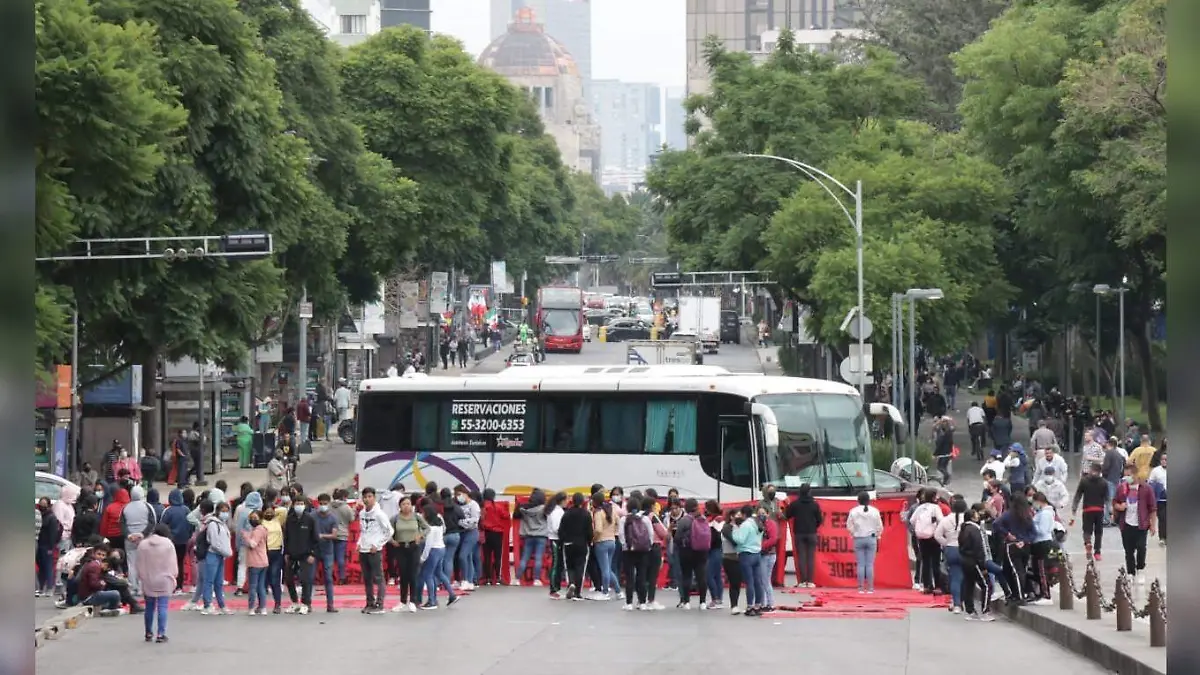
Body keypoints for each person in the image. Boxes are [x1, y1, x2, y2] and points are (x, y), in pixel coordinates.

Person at [1113, 462, 1157, 585]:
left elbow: (1152, 508)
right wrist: (1119, 506)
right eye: (1125, 475)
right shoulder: (1121, 488)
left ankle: (1140, 569)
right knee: (1129, 550)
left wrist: (1153, 525)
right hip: (1126, 524)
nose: (1126, 478)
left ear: (1136, 475)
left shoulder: (1146, 489)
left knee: (1141, 547)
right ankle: (1131, 572)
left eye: (1129, 475)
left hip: (1141, 524)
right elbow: (1115, 502)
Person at [136, 524, 177, 642]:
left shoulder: (143, 544)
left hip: (148, 579)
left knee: (149, 607)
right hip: (165, 579)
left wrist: (141, 577)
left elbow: (139, 564)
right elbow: (173, 564)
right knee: (162, 607)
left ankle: (148, 632)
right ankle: (161, 634)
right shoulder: (168, 544)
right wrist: (173, 577)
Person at [991, 493, 1036, 604]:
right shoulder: (1027, 515)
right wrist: (1025, 540)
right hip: (1025, 546)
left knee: (1015, 571)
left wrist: (1007, 534)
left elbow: (996, 524)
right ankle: (1018, 593)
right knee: (1021, 570)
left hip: (1012, 545)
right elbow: (1034, 533)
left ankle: (1019, 596)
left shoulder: (1008, 514)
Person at [357, 487, 393, 614]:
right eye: (365, 497)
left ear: (374, 497)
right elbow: (363, 531)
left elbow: (389, 531)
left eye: (369, 497)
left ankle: (380, 604)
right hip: (363, 550)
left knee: (378, 578)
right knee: (367, 578)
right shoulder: (361, 513)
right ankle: (370, 602)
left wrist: (377, 544)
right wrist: (359, 543)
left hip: (374, 551)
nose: (367, 499)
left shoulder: (379, 514)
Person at [390, 494, 428, 612]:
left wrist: (420, 536)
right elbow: (388, 531)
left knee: (413, 574)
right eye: (403, 504)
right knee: (403, 574)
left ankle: (413, 600)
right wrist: (392, 541)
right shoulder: (395, 518)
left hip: (414, 546)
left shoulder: (416, 517)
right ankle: (402, 601)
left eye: (408, 504)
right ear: (400, 506)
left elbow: (427, 528)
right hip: (400, 547)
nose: (406, 506)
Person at [417, 503, 459, 609]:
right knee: (439, 573)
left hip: (433, 550)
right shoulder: (439, 524)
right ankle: (452, 594)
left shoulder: (430, 528)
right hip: (441, 548)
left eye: (423, 513)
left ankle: (432, 601)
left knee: (428, 575)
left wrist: (423, 558)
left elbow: (428, 544)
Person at [957, 504, 995, 621]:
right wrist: (982, 565)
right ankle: (985, 611)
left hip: (965, 560)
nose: (979, 515)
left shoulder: (964, 529)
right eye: (976, 514)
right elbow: (979, 548)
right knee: (987, 585)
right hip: (975, 562)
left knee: (969, 585)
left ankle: (970, 610)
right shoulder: (974, 530)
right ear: (973, 517)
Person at [617, 495, 654, 610]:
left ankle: (629, 603)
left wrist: (625, 546)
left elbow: (621, 535)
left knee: (629, 577)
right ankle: (642, 602)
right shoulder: (645, 519)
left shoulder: (624, 519)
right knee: (641, 576)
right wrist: (648, 546)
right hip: (643, 551)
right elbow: (650, 534)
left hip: (629, 551)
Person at [673, 498, 710, 610]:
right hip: (701, 551)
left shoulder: (684, 520)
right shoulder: (703, 519)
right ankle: (702, 602)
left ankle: (686, 601)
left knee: (686, 575)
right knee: (701, 576)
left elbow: (677, 537)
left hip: (686, 551)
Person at [557, 492, 593, 601]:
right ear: (582, 502)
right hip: (581, 544)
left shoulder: (566, 514)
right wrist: (589, 541)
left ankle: (571, 583)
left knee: (569, 566)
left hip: (568, 544)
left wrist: (563, 541)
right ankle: (578, 592)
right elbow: (589, 531)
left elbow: (561, 530)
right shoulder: (586, 514)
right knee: (580, 567)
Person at [785, 483, 822, 588]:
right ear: (810, 492)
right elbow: (820, 520)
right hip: (811, 533)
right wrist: (814, 526)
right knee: (810, 557)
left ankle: (802, 581)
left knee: (801, 556)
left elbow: (787, 515)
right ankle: (810, 581)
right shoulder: (815, 504)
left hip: (799, 533)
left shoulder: (795, 504)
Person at [846, 491, 884, 594]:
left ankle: (861, 588)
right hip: (871, 538)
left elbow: (849, 526)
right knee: (870, 564)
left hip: (858, 538)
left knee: (861, 564)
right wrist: (877, 535)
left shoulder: (853, 511)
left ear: (858, 500)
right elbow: (879, 526)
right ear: (869, 500)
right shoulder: (875, 511)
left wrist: (854, 533)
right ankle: (870, 588)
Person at [1070, 463, 1109, 561]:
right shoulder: (1104, 482)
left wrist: (1074, 508)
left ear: (1091, 470)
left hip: (1088, 509)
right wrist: (1111, 512)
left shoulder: (1084, 481)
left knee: (1087, 530)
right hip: (1099, 510)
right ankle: (1097, 552)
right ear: (1100, 472)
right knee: (1098, 531)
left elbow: (1078, 495)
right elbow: (1107, 498)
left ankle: (1088, 543)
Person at [731, 504, 765, 616]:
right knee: (757, 582)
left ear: (744, 514)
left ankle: (749, 606)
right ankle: (758, 605)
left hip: (746, 554)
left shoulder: (745, 525)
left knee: (749, 582)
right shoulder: (757, 523)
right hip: (757, 554)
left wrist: (735, 530)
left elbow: (740, 540)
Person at [934, 496, 967, 612]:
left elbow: (937, 535)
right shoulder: (968, 520)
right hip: (965, 550)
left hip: (951, 549)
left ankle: (956, 603)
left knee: (955, 577)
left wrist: (946, 543)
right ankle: (963, 600)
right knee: (966, 577)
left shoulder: (946, 520)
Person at [908, 489, 943, 594]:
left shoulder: (920, 508)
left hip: (922, 537)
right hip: (933, 537)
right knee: (936, 562)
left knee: (926, 561)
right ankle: (937, 586)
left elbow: (912, 520)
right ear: (933, 497)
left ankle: (927, 586)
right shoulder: (936, 507)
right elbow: (941, 520)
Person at [160, 489, 193, 594]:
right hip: (184, 541)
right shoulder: (186, 510)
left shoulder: (168, 511)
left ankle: (171, 585)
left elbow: (162, 526)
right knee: (180, 563)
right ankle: (179, 585)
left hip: (171, 541)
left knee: (170, 563)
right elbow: (191, 524)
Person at [515, 489, 549, 586]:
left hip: (528, 536)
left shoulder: (523, 509)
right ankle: (536, 580)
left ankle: (517, 578)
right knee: (538, 558)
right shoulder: (544, 509)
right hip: (541, 536)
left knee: (525, 558)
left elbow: (516, 516)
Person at [1028, 491, 1056, 605]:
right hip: (1038, 543)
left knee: (1042, 570)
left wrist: (1032, 525)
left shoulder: (1045, 514)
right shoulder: (1041, 513)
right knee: (1037, 570)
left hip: (1043, 543)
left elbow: (1042, 530)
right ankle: (1041, 593)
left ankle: (1046, 594)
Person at [313, 494, 339, 613]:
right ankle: (307, 603)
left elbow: (334, 535)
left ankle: (330, 605)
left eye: (325, 503)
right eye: (321, 503)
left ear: (329, 503)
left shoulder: (333, 518)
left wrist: (322, 536)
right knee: (309, 577)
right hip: (314, 550)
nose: (323, 506)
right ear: (318, 503)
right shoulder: (312, 516)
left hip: (328, 551)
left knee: (328, 577)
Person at [479, 488, 510, 585]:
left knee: (487, 556)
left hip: (486, 532)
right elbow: (506, 515)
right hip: (497, 533)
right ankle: (498, 577)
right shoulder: (498, 506)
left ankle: (487, 578)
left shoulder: (482, 507)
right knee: (497, 556)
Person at [453, 485, 480, 590]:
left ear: (465, 493)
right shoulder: (459, 505)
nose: (458, 497)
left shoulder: (474, 505)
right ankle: (470, 581)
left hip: (471, 532)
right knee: (468, 557)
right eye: (456, 495)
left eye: (459, 494)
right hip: (462, 533)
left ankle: (465, 579)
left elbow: (474, 521)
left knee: (462, 556)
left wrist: (460, 522)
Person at [243, 509, 269, 615]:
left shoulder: (258, 530)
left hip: (255, 562)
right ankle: (262, 607)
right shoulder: (263, 529)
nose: (252, 520)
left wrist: (245, 536)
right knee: (261, 586)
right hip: (263, 561)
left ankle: (251, 608)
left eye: (255, 518)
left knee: (253, 586)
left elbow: (253, 544)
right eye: (251, 518)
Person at [719, 509, 745, 614]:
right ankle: (733, 605)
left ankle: (736, 604)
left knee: (737, 582)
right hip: (729, 558)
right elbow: (734, 542)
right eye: (737, 515)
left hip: (739, 558)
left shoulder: (740, 527)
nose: (740, 517)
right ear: (731, 516)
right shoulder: (726, 528)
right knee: (733, 582)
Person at [36, 498, 62, 597]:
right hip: (40, 544)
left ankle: (49, 588)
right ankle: (41, 587)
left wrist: (51, 548)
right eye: (41, 503)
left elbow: (53, 534)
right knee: (41, 567)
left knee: (48, 567)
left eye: (44, 504)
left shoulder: (51, 518)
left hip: (47, 545)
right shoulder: (39, 515)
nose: (42, 506)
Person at [1148, 452, 1166, 546]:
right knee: (1162, 518)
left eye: (1166, 459)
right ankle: (1162, 537)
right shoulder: (1156, 471)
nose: (1164, 461)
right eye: (1163, 459)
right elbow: (1151, 483)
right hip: (1161, 499)